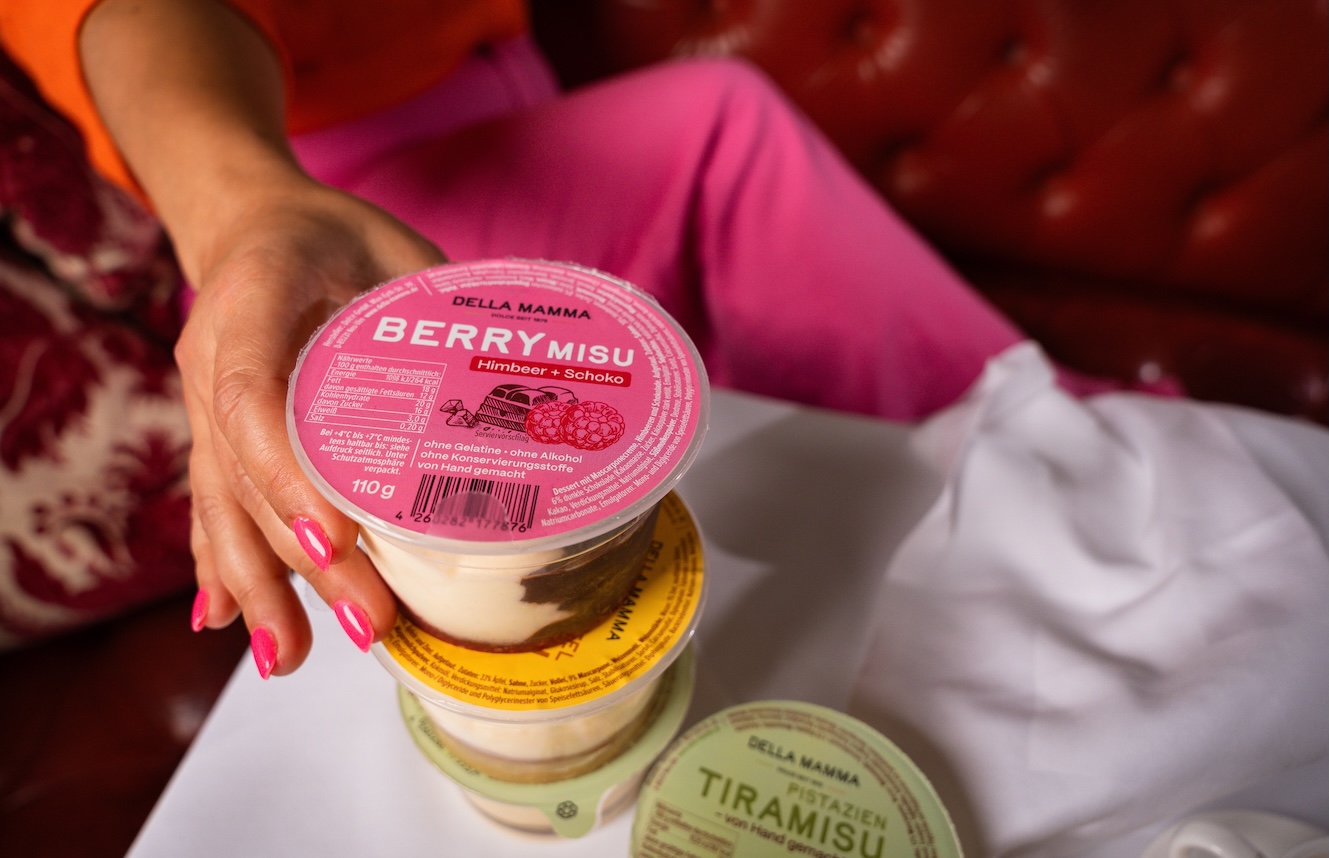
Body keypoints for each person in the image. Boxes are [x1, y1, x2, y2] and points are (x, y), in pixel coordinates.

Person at [0, 0, 1091, 677]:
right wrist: (243, 204)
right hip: (330, 244)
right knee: (722, 130)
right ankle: (1066, 454)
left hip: (489, 140)